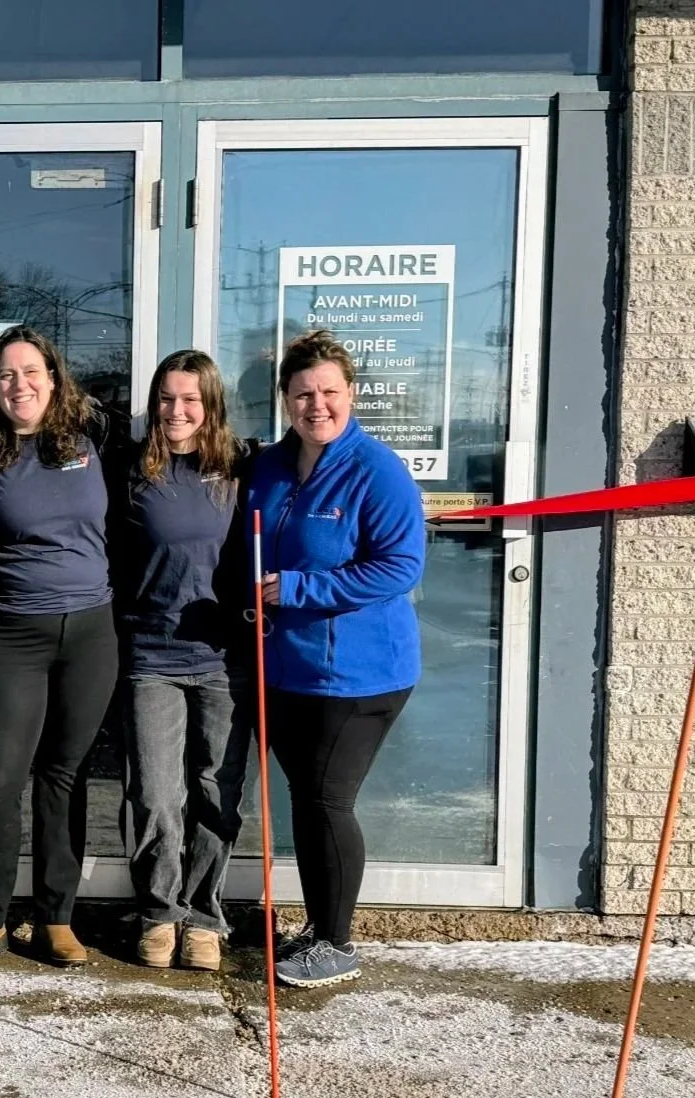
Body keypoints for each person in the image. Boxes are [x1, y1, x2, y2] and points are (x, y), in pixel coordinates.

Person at [248, 329, 425, 989]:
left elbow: (399, 566)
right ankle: (320, 924)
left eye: (328, 392)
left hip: (359, 674)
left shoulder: (377, 470)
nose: (315, 405)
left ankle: (337, 942)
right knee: (308, 799)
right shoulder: (267, 466)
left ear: (349, 394)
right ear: (284, 399)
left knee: (326, 798)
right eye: (302, 394)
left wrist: (296, 589)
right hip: (286, 667)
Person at [0, 325, 118, 968]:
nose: (20, 384)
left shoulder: (94, 439)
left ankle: (55, 917)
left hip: (91, 632)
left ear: (54, 376)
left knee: (64, 776)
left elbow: (170, 459)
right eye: (6, 374)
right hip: (10, 633)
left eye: (31, 371)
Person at [114, 349, 257, 973]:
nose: (177, 411)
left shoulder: (241, 468)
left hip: (225, 658)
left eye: (190, 400)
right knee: (153, 792)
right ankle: (158, 912)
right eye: (167, 399)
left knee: (215, 790)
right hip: (151, 653)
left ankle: (203, 917)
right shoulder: (130, 469)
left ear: (212, 405)